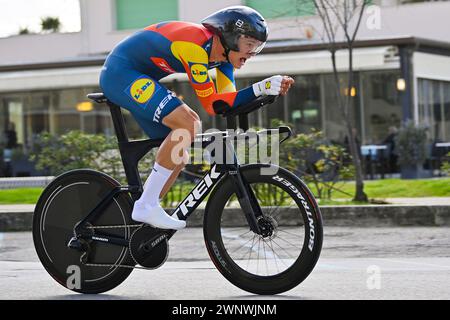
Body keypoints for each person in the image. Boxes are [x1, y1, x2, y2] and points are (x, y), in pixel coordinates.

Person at [99, 6, 295, 230]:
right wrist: (261, 86)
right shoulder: (195, 45)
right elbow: (211, 105)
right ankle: (145, 206)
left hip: (141, 76)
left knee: (177, 154)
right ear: (231, 37)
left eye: (257, 47)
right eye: (249, 45)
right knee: (189, 123)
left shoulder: (222, 59)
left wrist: (266, 92)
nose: (252, 53)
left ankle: (138, 221)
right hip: (120, 73)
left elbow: (225, 102)